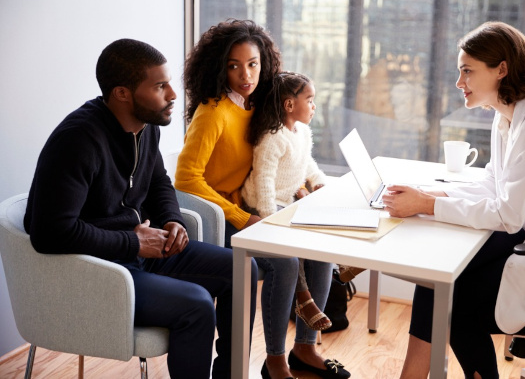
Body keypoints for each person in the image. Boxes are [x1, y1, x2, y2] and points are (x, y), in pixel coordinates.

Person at [24, 38, 258, 379]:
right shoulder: (77, 141)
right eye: (160, 87)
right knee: (196, 305)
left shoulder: (145, 127)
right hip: (97, 271)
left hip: (140, 253)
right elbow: (49, 232)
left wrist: (172, 219)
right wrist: (132, 242)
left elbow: (158, 182)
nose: (173, 95)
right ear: (122, 93)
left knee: (242, 270)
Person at [382, 21, 525, 378]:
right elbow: (495, 184)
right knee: (440, 279)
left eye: (467, 71)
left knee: (455, 303)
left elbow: (509, 213)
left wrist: (426, 204)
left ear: (501, 70)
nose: (458, 82)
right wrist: (431, 194)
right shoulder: (509, 115)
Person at [175, 20, 350, 379]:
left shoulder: (257, 107)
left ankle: (306, 347)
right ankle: (274, 361)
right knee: (284, 262)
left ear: (264, 63)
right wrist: (241, 217)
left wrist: (304, 184)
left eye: (252, 64)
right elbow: (185, 178)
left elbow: (278, 153)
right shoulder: (212, 113)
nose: (245, 74)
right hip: (215, 218)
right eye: (234, 65)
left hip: (249, 208)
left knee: (318, 247)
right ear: (218, 66)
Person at [241, 71, 332, 332]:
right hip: (263, 205)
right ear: (289, 105)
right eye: (310, 99)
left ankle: (347, 264)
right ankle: (303, 298)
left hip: (287, 202)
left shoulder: (301, 132)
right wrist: (271, 219)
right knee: (294, 243)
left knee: (321, 227)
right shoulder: (272, 138)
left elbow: (307, 164)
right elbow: (264, 182)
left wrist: (319, 182)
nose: (314, 106)